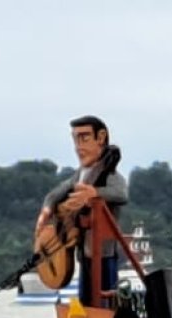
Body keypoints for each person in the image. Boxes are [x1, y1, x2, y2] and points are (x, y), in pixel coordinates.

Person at [34, 115, 128, 308]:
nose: (79, 146)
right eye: (75, 139)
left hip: (103, 250)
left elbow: (120, 193)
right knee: (86, 293)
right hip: (83, 249)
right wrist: (46, 211)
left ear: (100, 138)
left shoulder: (109, 175)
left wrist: (94, 193)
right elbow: (55, 193)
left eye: (84, 138)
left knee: (105, 295)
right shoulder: (80, 175)